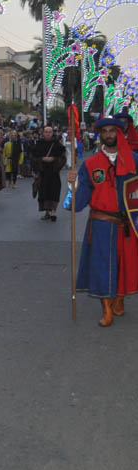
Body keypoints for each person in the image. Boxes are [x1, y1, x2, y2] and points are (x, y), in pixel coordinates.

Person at [68, 117, 138, 327]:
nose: (108, 135)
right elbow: (78, 201)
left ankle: (119, 298)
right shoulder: (91, 164)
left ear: (120, 134)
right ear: (100, 135)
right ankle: (106, 309)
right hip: (101, 223)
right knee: (101, 267)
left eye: (112, 131)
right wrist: (73, 184)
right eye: (105, 131)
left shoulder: (134, 160)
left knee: (125, 266)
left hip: (128, 223)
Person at [32, 126, 66, 221]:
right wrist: (41, 159)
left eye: (49, 132)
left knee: (54, 191)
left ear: (52, 133)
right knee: (43, 193)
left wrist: (54, 159)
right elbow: (33, 157)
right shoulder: (38, 145)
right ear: (43, 133)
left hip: (54, 172)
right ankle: (47, 212)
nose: (47, 133)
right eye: (46, 132)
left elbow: (63, 158)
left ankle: (53, 212)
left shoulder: (57, 145)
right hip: (43, 173)